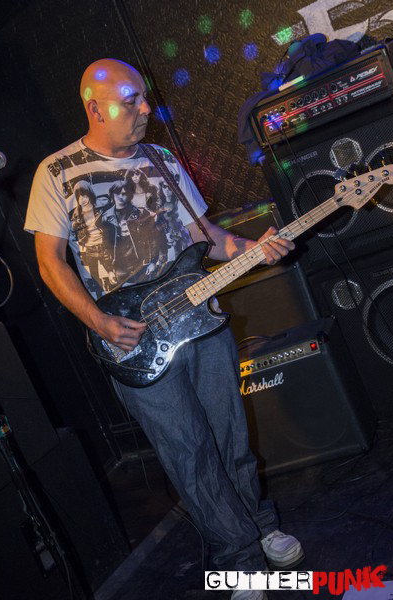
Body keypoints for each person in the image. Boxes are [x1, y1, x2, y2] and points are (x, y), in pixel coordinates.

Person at [25, 58, 303, 600]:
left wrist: (255, 248)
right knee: (189, 453)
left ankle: (258, 526)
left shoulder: (162, 159)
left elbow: (207, 238)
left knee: (231, 437)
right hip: (133, 338)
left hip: (200, 321)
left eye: (144, 98)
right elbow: (50, 264)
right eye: (130, 100)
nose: (145, 109)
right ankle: (239, 559)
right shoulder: (55, 172)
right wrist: (99, 321)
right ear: (94, 107)